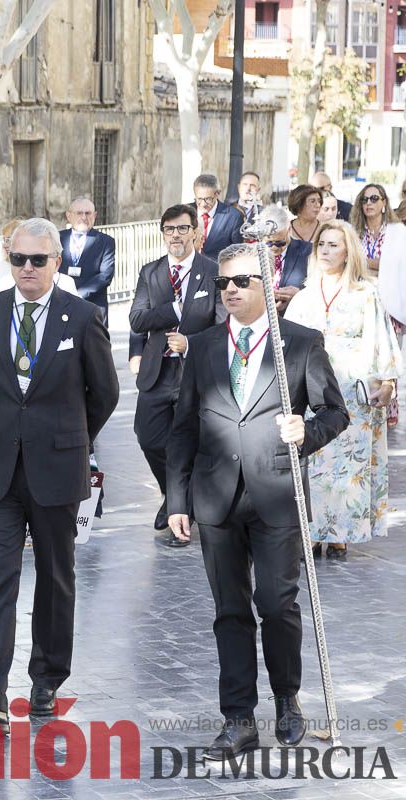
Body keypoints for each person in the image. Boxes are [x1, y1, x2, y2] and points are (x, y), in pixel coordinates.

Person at [166, 243, 348, 760]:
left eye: (244, 280)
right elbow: (182, 428)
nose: (231, 289)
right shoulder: (201, 347)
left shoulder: (301, 343)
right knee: (229, 611)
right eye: (225, 281)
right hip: (215, 498)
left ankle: (287, 700)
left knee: (276, 604)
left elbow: (336, 413)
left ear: (267, 285)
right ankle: (238, 717)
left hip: (277, 495)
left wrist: (305, 431)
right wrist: (177, 498)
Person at [0, 217, 118, 727]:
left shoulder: (82, 317)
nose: (26, 268)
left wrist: (65, 434)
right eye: (18, 258)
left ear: (56, 262)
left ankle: (45, 681)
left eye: (37, 260)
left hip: (57, 469)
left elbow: (103, 394)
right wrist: (4, 427)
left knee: (55, 579)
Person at [285, 221, 401, 558]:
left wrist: (389, 383)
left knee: (348, 464)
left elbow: (382, 339)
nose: (325, 250)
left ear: (348, 251)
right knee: (315, 458)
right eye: (321, 244)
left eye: (334, 245)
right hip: (311, 387)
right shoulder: (304, 295)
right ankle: (312, 529)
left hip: (353, 388)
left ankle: (339, 532)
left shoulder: (366, 294)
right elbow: (286, 344)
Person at [129, 204, 224, 544]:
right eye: (169, 229)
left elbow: (222, 326)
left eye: (182, 228)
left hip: (193, 374)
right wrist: (171, 310)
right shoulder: (150, 272)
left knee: (186, 442)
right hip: (157, 370)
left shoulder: (212, 272)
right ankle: (175, 496)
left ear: (195, 231)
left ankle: (178, 508)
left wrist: (191, 343)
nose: (176, 235)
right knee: (148, 436)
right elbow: (137, 320)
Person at [57, 197, 117, 324]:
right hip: (60, 305)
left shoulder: (106, 242)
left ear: (95, 215)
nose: (84, 217)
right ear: (69, 216)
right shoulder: (57, 238)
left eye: (88, 213)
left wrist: (77, 295)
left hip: (92, 307)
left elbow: (105, 275)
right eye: (79, 213)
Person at [255, 205, 310, 314]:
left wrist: (298, 296)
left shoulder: (308, 252)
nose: (274, 248)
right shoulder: (253, 255)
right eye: (269, 243)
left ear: (289, 229)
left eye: (280, 242)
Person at [349, 183, 404, 279]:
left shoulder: (396, 231)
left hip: (390, 287)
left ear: (384, 202)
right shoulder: (353, 232)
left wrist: (363, 262)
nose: (368, 203)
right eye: (364, 199)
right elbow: (350, 262)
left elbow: (397, 264)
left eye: (374, 198)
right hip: (361, 288)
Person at [193, 174, 244, 261]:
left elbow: (238, 253)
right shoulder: (185, 213)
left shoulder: (233, 217)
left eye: (208, 199)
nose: (203, 204)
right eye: (199, 199)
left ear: (217, 193)